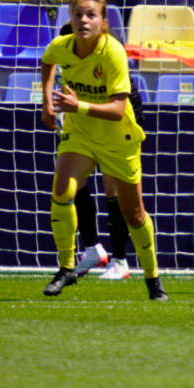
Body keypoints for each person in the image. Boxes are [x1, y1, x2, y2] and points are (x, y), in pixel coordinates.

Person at [39, 0, 168, 301]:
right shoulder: (61, 45)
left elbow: (118, 109)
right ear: (71, 18)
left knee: (134, 213)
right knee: (62, 189)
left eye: (91, 15)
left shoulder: (112, 52)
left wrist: (77, 105)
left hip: (117, 138)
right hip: (80, 134)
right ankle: (66, 267)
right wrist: (46, 101)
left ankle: (153, 279)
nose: (84, 20)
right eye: (78, 14)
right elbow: (47, 62)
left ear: (103, 22)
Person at [55, 19, 141, 281]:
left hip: (119, 116)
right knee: (74, 181)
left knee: (112, 187)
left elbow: (117, 104)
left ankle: (120, 261)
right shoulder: (66, 52)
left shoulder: (108, 54)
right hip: (88, 119)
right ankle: (93, 248)